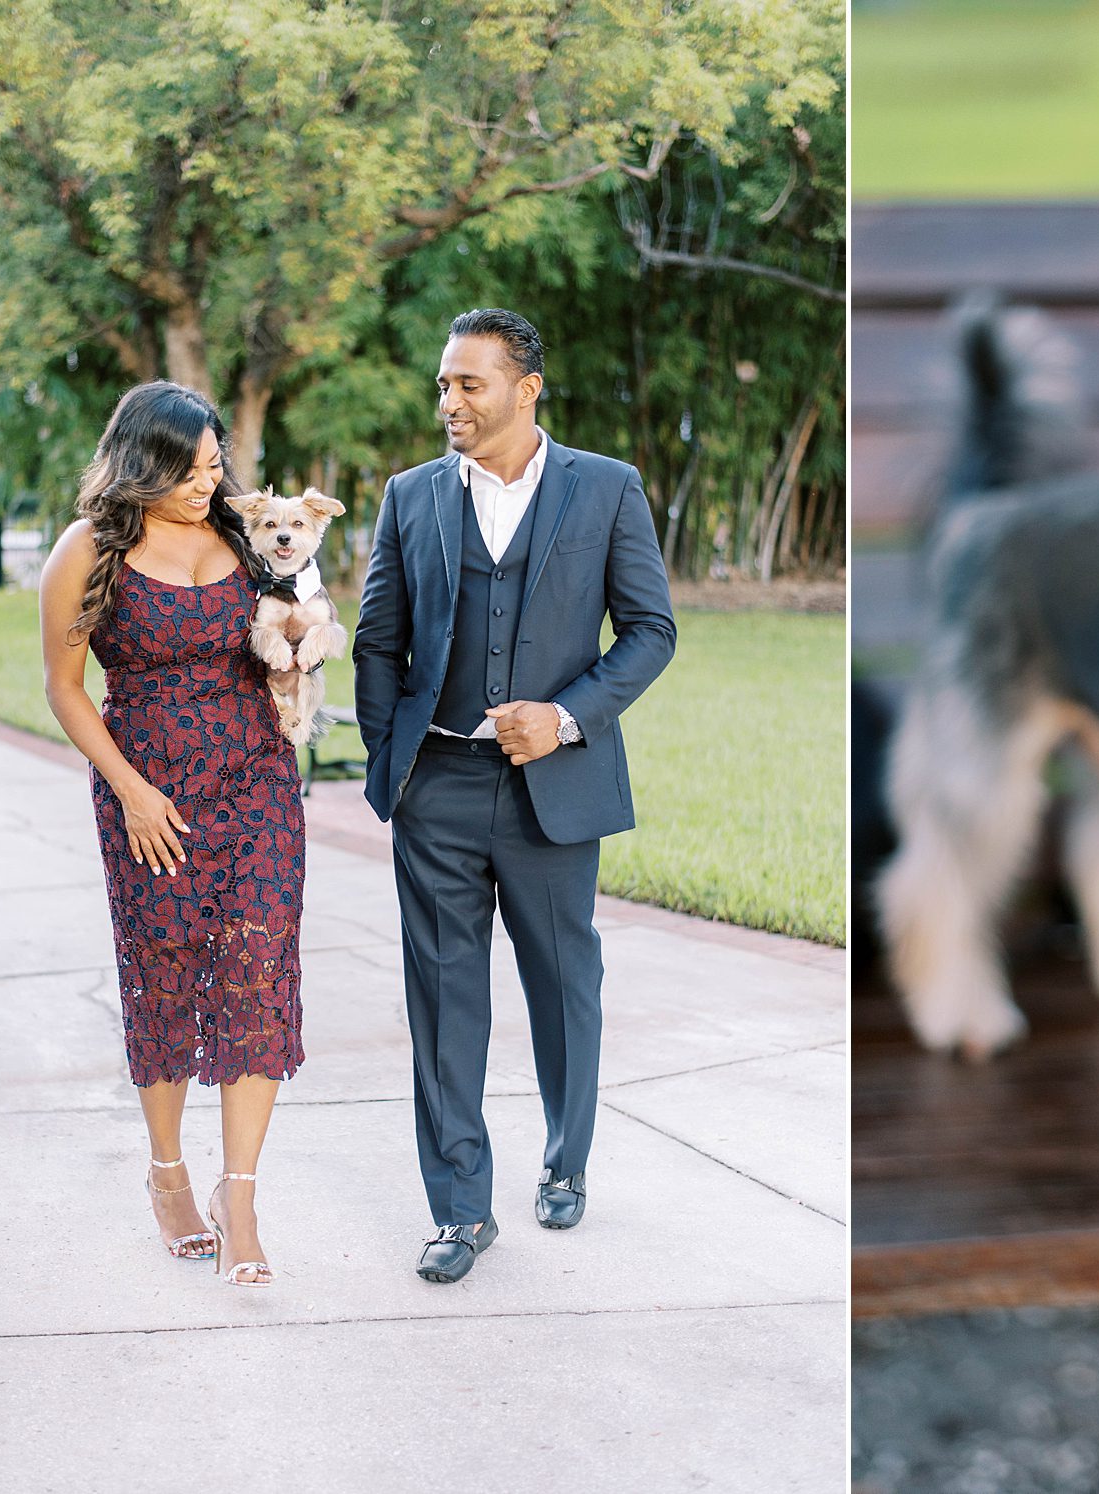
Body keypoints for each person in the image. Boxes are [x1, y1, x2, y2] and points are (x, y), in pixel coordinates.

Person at [355, 308, 676, 1283]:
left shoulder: (608, 490)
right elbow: (377, 641)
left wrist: (568, 717)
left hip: (553, 785)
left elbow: (651, 632)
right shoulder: (409, 498)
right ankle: (459, 1209)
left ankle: (565, 1160)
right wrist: (392, 762)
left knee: (560, 984)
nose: (449, 400)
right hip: (437, 788)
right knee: (445, 1000)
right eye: (443, 385)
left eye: (468, 384)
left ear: (525, 389)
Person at [40, 382, 302, 1288]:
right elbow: (66, 687)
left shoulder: (241, 532)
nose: (209, 481)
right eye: (189, 470)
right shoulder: (88, 551)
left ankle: (242, 1196)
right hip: (150, 793)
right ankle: (166, 1173)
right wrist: (132, 793)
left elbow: (292, 616)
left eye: (215, 463)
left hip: (258, 778)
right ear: (141, 463)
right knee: (165, 974)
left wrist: (301, 648)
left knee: (257, 969)